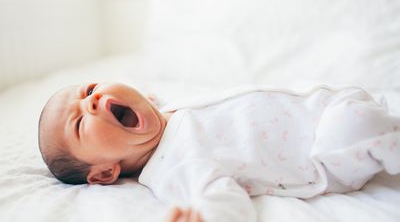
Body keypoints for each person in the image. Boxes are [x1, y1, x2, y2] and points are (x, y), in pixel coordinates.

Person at [38, 83, 400, 222]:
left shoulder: (168, 109)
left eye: (88, 90)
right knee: (362, 126)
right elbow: (224, 199)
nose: (93, 101)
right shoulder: (174, 166)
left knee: (368, 116)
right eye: (79, 123)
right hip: (328, 150)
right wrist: (205, 216)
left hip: (325, 105)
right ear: (104, 173)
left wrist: (151, 102)